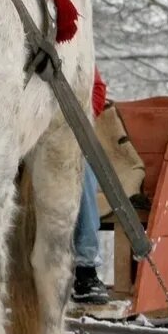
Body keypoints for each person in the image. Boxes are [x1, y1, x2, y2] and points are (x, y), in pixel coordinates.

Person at [73, 68, 110, 304]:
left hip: (63, 130)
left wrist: (76, 121)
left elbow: (96, 88)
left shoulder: (76, 41)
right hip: (17, 131)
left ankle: (85, 269)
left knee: (81, 164)